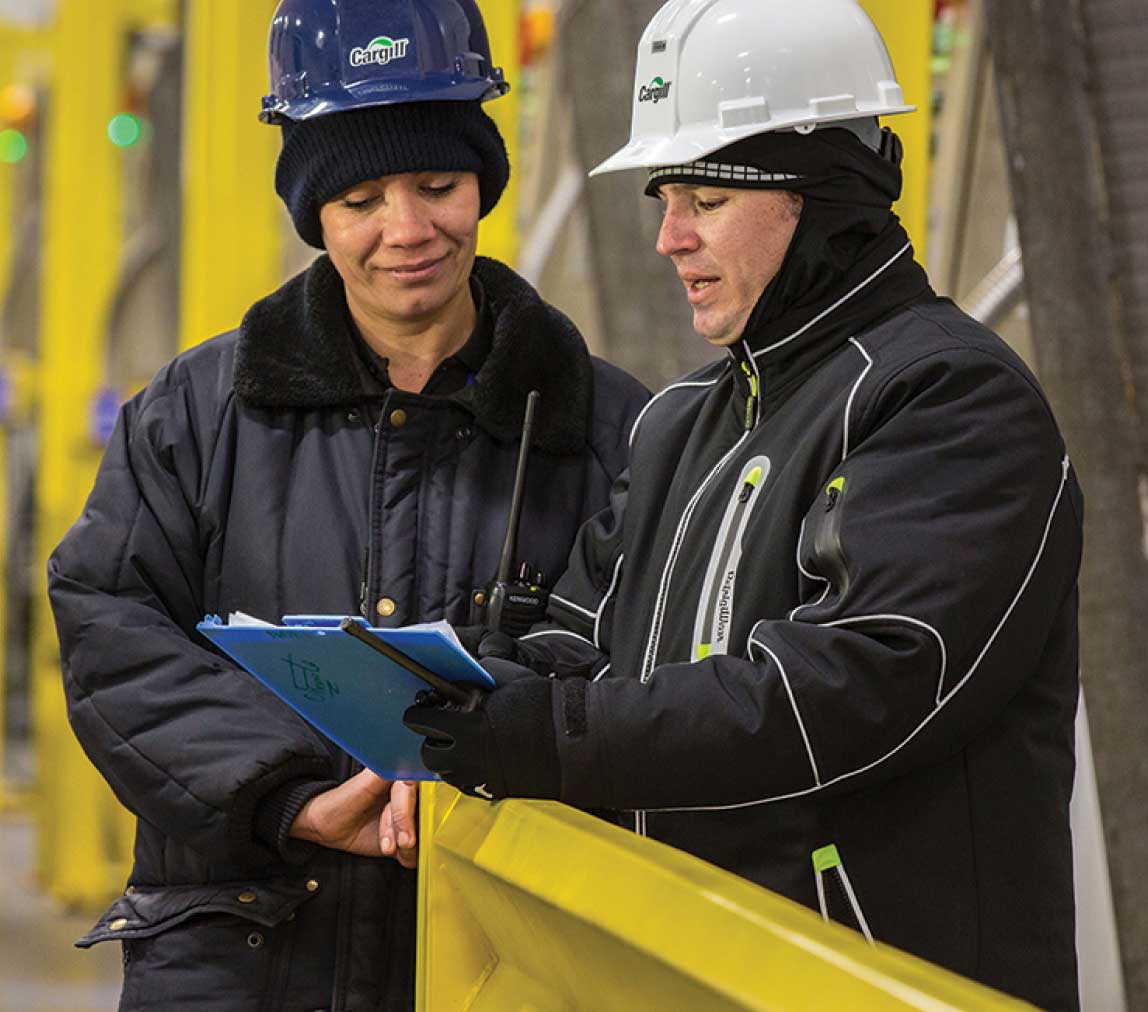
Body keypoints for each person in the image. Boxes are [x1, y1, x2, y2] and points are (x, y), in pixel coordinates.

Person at [403, 1, 1083, 1008]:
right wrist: (468, 686)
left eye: (706, 199)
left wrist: (553, 734)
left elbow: (843, 693)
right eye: (664, 197)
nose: (668, 238)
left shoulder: (946, 401)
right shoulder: (683, 419)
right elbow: (584, 639)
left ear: (821, 198)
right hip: (684, 974)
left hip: (869, 982)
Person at [47, 1, 648, 1009]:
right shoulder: (194, 416)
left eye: (437, 184)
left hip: (493, 959)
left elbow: (638, 664)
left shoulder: (605, 426)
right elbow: (111, 626)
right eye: (362, 196)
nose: (406, 230)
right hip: (241, 953)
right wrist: (289, 794)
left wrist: (489, 740)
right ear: (313, 213)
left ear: (483, 184)